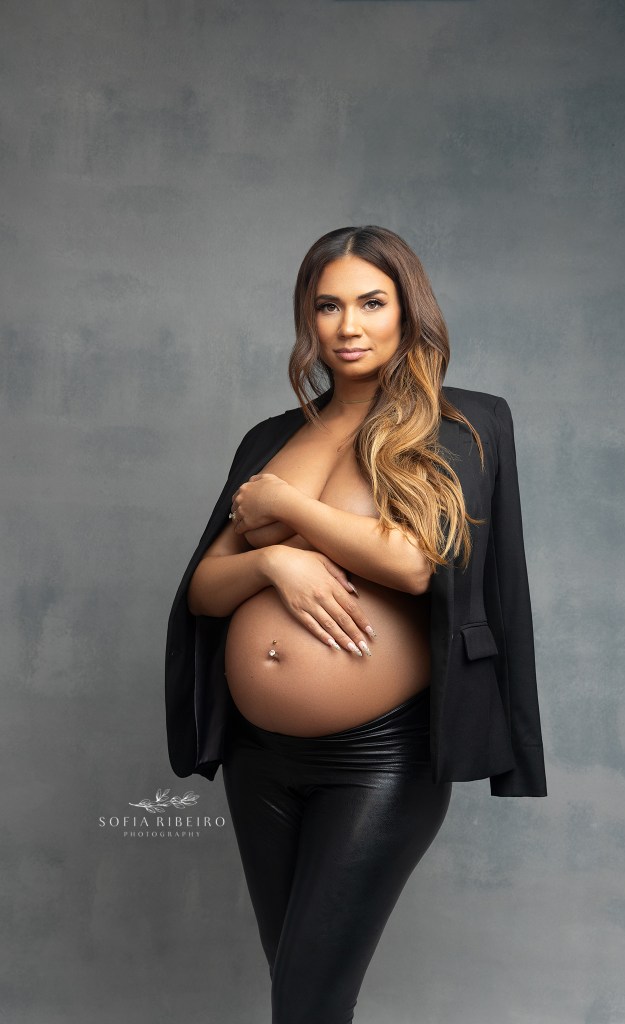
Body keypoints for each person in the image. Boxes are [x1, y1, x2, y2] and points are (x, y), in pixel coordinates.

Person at [165, 225, 547, 1024]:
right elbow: (204, 589)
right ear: (307, 318)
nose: (348, 326)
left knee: (304, 998)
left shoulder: (460, 424)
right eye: (327, 305)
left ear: (408, 311)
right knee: (301, 995)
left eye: (371, 302)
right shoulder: (271, 439)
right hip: (258, 758)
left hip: (378, 758)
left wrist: (285, 512)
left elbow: (415, 563)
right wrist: (278, 563)